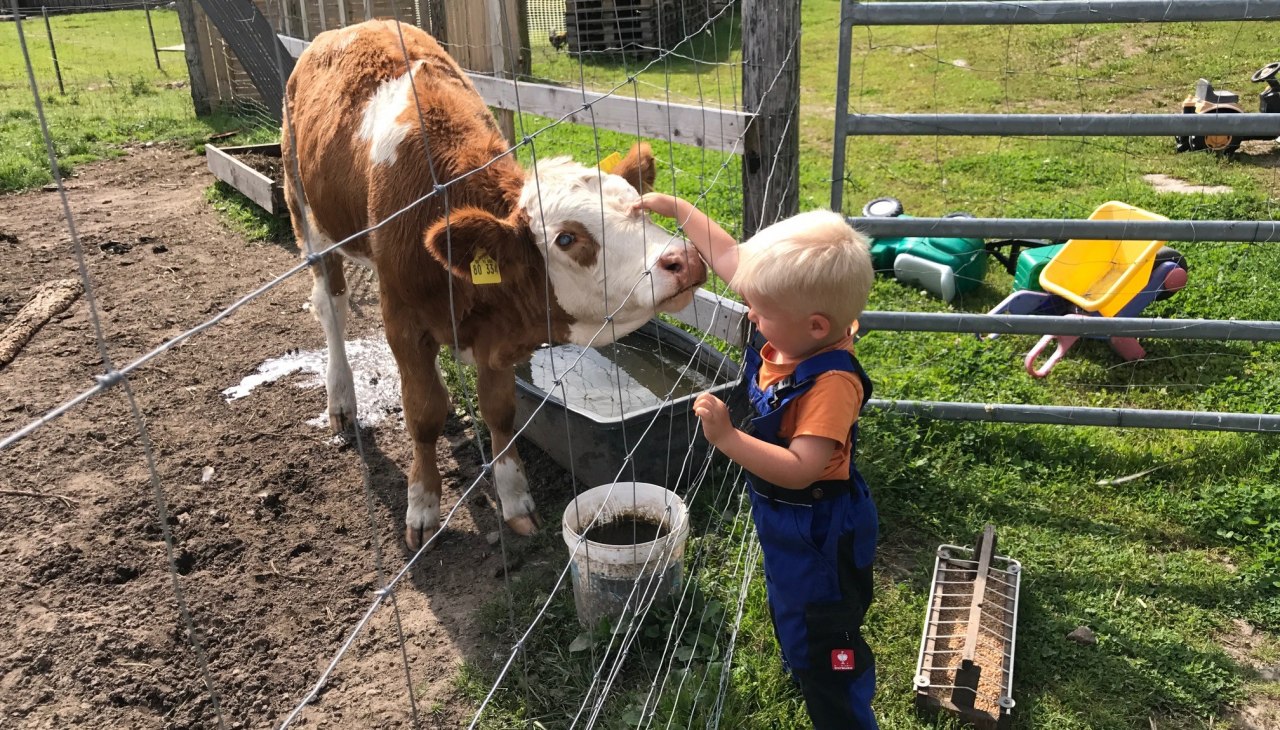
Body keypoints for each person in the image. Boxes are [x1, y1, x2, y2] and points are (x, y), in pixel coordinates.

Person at [637, 193, 879, 730]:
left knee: (824, 630)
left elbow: (800, 467)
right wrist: (679, 211)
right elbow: (734, 264)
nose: (750, 313)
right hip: (787, 520)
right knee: (794, 610)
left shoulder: (831, 384)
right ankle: (804, 661)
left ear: (817, 326)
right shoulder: (799, 331)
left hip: (816, 524)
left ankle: (840, 707)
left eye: (761, 312)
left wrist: (726, 438)